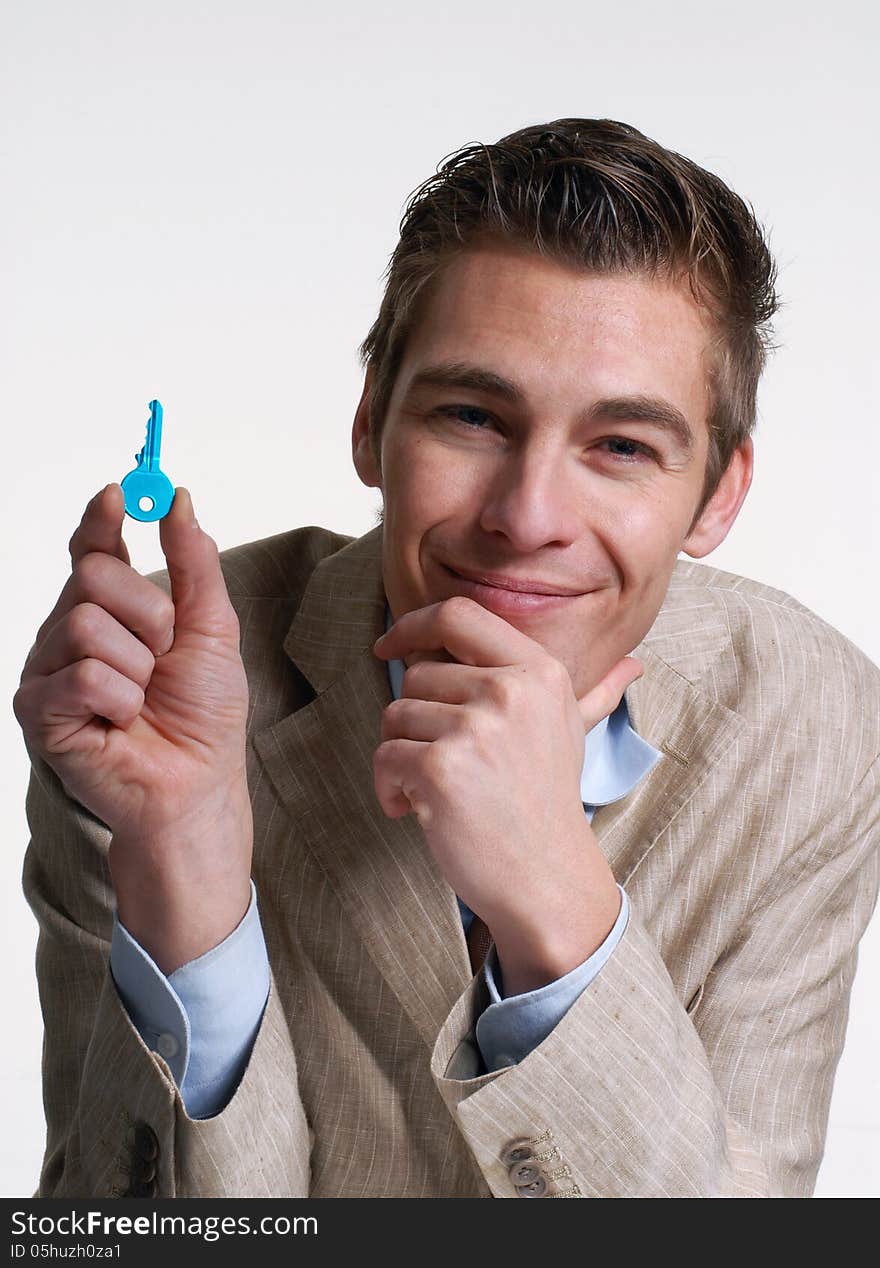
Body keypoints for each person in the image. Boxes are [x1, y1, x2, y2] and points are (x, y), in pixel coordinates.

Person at [15, 118, 880, 1199]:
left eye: (620, 446)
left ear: (718, 494)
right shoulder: (156, 687)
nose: (528, 517)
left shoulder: (813, 721)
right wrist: (186, 879)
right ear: (371, 419)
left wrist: (557, 899)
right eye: (472, 415)